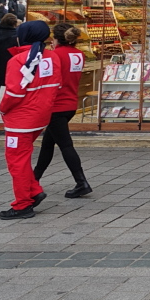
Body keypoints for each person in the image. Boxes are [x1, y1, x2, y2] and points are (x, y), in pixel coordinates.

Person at [0, 21, 61, 219]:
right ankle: (33, 191)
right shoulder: (53, 57)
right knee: (22, 158)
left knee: (17, 161)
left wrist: (2, 109)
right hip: (40, 116)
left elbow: (14, 93)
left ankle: (23, 203)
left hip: (20, 119)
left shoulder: (18, 61)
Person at [33, 23, 91, 198]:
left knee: (65, 145)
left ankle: (81, 182)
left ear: (55, 38)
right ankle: (34, 179)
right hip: (71, 103)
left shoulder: (53, 55)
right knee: (48, 144)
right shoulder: (79, 55)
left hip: (55, 105)